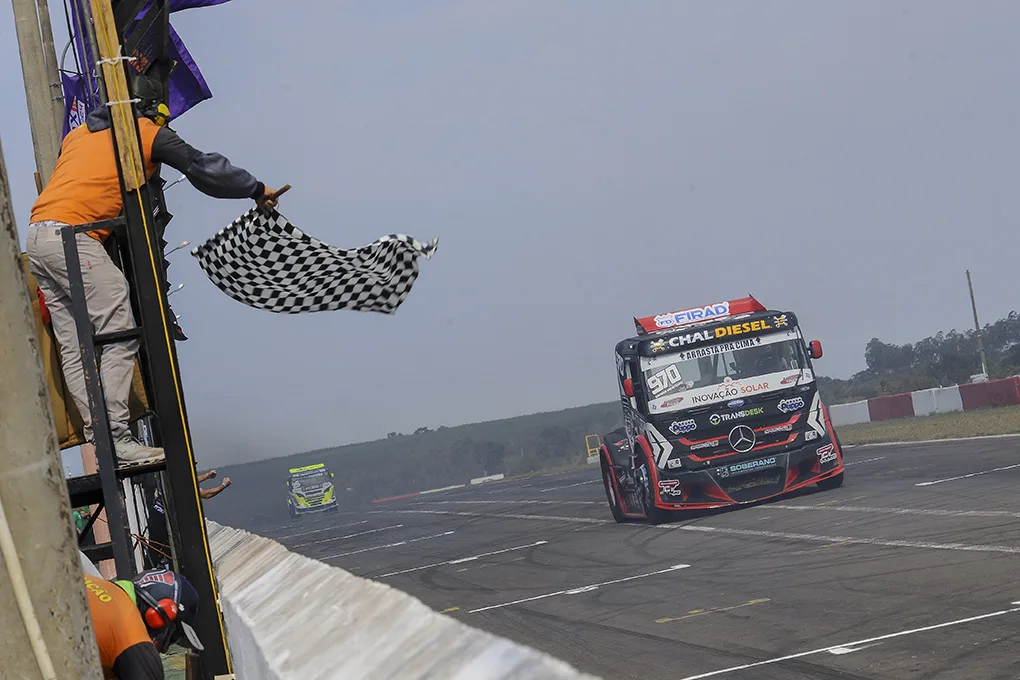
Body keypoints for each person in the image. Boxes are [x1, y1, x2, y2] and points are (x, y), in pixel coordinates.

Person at [25, 73, 282, 467]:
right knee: (119, 328)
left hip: (39, 237)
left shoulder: (79, 134)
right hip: (75, 237)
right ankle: (118, 441)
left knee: (75, 346)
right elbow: (204, 167)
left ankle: (104, 439)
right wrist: (255, 188)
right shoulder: (143, 133)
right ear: (151, 111)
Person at [84, 566, 204, 679]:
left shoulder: (93, 582)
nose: (164, 650)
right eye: (171, 638)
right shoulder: (132, 638)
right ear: (159, 614)